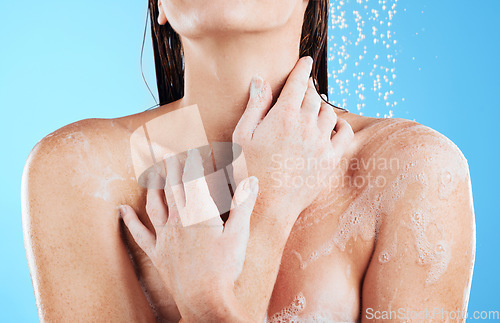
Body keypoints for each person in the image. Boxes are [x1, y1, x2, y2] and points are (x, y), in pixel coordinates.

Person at [21, 0, 475, 322]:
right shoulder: (81, 169)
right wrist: (267, 210)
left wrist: (207, 305)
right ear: (158, 4)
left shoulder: (411, 170)